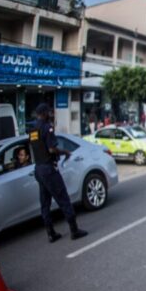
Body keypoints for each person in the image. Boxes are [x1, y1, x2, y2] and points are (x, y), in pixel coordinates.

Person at [28, 103, 88, 243]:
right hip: (49, 169)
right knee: (63, 198)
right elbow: (51, 149)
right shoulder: (46, 128)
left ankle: (50, 233)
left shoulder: (32, 130)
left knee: (45, 203)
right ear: (44, 113)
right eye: (49, 112)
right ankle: (74, 230)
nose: (51, 114)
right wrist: (65, 152)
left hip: (38, 169)